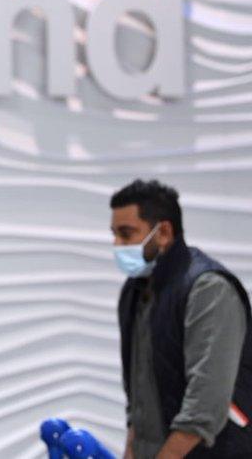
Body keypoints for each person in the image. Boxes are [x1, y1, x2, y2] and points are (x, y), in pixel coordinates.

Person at [111, 179, 252, 459]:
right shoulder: (135, 293)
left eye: (126, 234)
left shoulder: (208, 290)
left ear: (163, 232)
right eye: (114, 234)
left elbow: (205, 405)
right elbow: (138, 398)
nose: (117, 245)